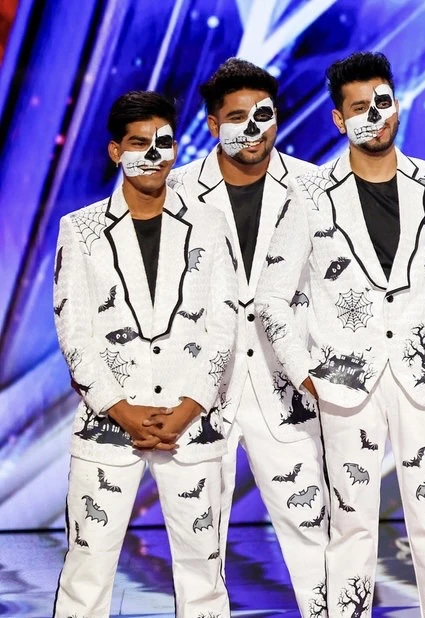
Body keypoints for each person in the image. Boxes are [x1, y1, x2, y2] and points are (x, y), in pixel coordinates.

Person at [255, 51, 425, 618]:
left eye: (383, 102)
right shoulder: (309, 194)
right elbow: (272, 296)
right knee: (350, 524)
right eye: (359, 108)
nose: (375, 116)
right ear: (338, 119)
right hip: (344, 383)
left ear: (396, 104)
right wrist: (303, 371)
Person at [52, 90, 238, 618]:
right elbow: (73, 329)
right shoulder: (81, 230)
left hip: (191, 424)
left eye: (164, 143)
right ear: (116, 151)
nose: (154, 155)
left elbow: (223, 324)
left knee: (203, 573)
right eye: (139, 144)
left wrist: (188, 407)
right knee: (87, 571)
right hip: (108, 424)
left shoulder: (209, 223)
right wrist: (122, 409)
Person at [168, 58, 329, 616]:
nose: (254, 127)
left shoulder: (314, 186)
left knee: (311, 529)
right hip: (198, 389)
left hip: (286, 384)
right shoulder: (176, 191)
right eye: (237, 117)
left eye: (263, 113)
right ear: (214, 124)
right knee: (196, 539)